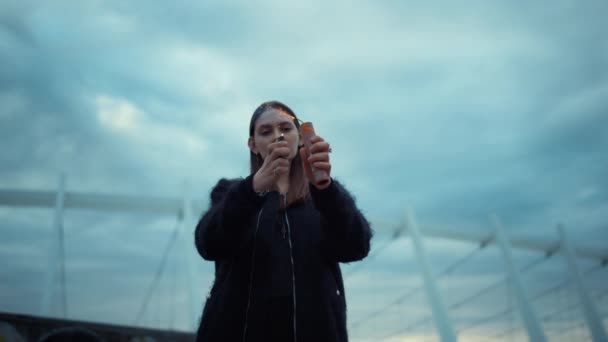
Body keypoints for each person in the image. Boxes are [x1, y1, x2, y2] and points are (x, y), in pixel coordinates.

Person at [194, 100, 372, 342]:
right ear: (253, 145)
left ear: (299, 137)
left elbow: (356, 246)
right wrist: (252, 189)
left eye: (286, 129)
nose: (278, 136)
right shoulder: (230, 192)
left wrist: (327, 191)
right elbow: (208, 244)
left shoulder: (324, 196)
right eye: (266, 132)